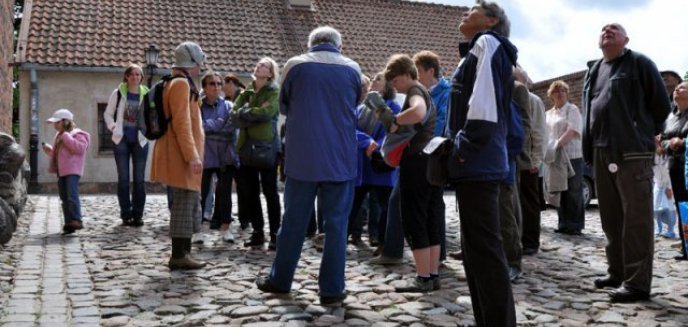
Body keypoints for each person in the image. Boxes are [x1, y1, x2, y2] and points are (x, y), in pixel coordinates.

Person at [256, 26, 361, 307]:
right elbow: (355, 104)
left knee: (293, 222)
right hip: (340, 159)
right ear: (339, 44)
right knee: (337, 226)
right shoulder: (353, 69)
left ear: (311, 43)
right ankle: (332, 289)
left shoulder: (295, 65)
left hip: (303, 157)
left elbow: (285, 107)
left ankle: (280, 280)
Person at [582, 23, 671, 302]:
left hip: (632, 153)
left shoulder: (640, 63)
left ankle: (636, 284)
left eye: (615, 29)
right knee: (610, 218)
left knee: (636, 220)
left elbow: (661, 106)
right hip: (599, 151)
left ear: (626, 39)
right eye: (604, 29)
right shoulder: (594, 69)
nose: (608, 30)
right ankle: (617, 272)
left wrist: (639, 132)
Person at [443, 1, 517, 325]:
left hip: (477, 161)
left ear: (490, 20)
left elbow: (483, 106)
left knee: (484, 252)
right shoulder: (475, 49)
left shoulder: (487, 43)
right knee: (476, 253)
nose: (464, 12)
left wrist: (463, 147)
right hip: (475, 162)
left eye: (472, 9)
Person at [377, 54, 442, 293]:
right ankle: (432, 275)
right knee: (430, 218)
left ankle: (423, 277)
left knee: (415, 219)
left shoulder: (416, 91)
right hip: (431, 162)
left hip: (416, 162)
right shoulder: (425, 91)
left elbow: (417, 112)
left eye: (395, 81)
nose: (395, 87)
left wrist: (394, 121)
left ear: (405, 74)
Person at [150, 41, 207, 270]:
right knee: (184, 204)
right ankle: (179, 255)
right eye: (200, 59)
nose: (202, 63)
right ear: (192, 60)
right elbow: (182, 124)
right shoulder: (181, 84)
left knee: (188, 202)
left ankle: (184, 252)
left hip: (181, 153)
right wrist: (192, 156)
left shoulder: (178, 82)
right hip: (180, 155)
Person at [232, 57, 281, 250]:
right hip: (246, 147)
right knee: (250, 193)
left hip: (267, 147)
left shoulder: (274, 92)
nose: (260, 66)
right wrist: (251, 113)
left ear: (270, 73)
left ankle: (276, 233)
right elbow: (233, 116)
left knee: (270, 193)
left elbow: (267, 113)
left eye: (265, 66)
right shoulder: (246, 92)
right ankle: (258, 232)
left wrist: (246, 114)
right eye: (259, 64)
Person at [347, 74, 398, 249]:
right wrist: (366, 141)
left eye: (378, 79)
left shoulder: (394, 107)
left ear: (386, 87)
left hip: (380, 164)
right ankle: (340, 239)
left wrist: (376, 146)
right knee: (352, 205)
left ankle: (384, 243)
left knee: (386, 206)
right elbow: (348, 130)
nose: (373, 81)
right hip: (361, 164)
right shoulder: (360, 109)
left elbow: (394, 133)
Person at [412, 50, 449, 261]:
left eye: (419, 71)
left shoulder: (446, 91)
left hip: (435, 153)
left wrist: (424, 145)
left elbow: (441, 121)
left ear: (431, 71)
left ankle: (437, 252)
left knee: (434, 203)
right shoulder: (422, 91)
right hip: (422, 151)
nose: (416, 76)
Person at [104, 64, 150, 227]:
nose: (135, 77)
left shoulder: (147, 94)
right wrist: (113, 127)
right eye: (132, 74)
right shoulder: (118, 93)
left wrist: (149, 130)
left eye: (138, 75)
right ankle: (126, 214)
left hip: (140, 140)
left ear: (141, 77)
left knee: (139, 180)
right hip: (121, 140)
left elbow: (152, 115)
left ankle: (137, 215)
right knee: (123, 179)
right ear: (126, 76)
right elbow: (108, 114)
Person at [199, 71, 238, 242]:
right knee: (201, 193)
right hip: (205, 155)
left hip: (224, 156)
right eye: (212, 84)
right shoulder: (198, 107)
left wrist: (208, 127)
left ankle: (225, 228)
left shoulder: (229, 106)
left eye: (218, 84)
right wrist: (217, 124)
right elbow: (196, 127)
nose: (216, 87)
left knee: (224, 193)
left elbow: (230, 127)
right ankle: (198, 229)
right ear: (204, 88)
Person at [42, 109, 90, 235]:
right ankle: (69, 221)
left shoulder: (78, 134)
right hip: (62, 170)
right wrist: (49, 150)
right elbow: (60, 154)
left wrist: (66, 136)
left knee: (71, 194)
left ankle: (76, 219)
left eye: (57, 122)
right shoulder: (60, 136)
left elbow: (79, 148)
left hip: (72, 170)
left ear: (65, 122)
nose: (54, 125)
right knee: (64, 196)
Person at [515, 67, 547, 255]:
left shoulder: (533, 100)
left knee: (529, 202)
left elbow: (539, 131)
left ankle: (530, 241)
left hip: (528, 159)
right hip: (515, 158)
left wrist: (536, 160)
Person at [545, 80, 584, 235]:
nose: (560, 93)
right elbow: (545, 133)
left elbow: (573, 130)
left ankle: (575, 225)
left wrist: (556, 145)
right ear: (551, 95)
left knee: (574, 191)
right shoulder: (548, 114)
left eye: (563, 91)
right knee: (560, 189)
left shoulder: (572, 109)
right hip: (555, 157)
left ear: (567, 93)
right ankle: (563, 224)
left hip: (572, 156)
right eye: (556, 91)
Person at [660, 81, 688, 257]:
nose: (677, 89)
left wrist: (683, 142)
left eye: (683, 87)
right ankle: (686, 248)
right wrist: (669, 143)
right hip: (675, 166)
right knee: (682, 206)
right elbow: (661, 139)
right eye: (677, 87)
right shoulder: (670, 117)